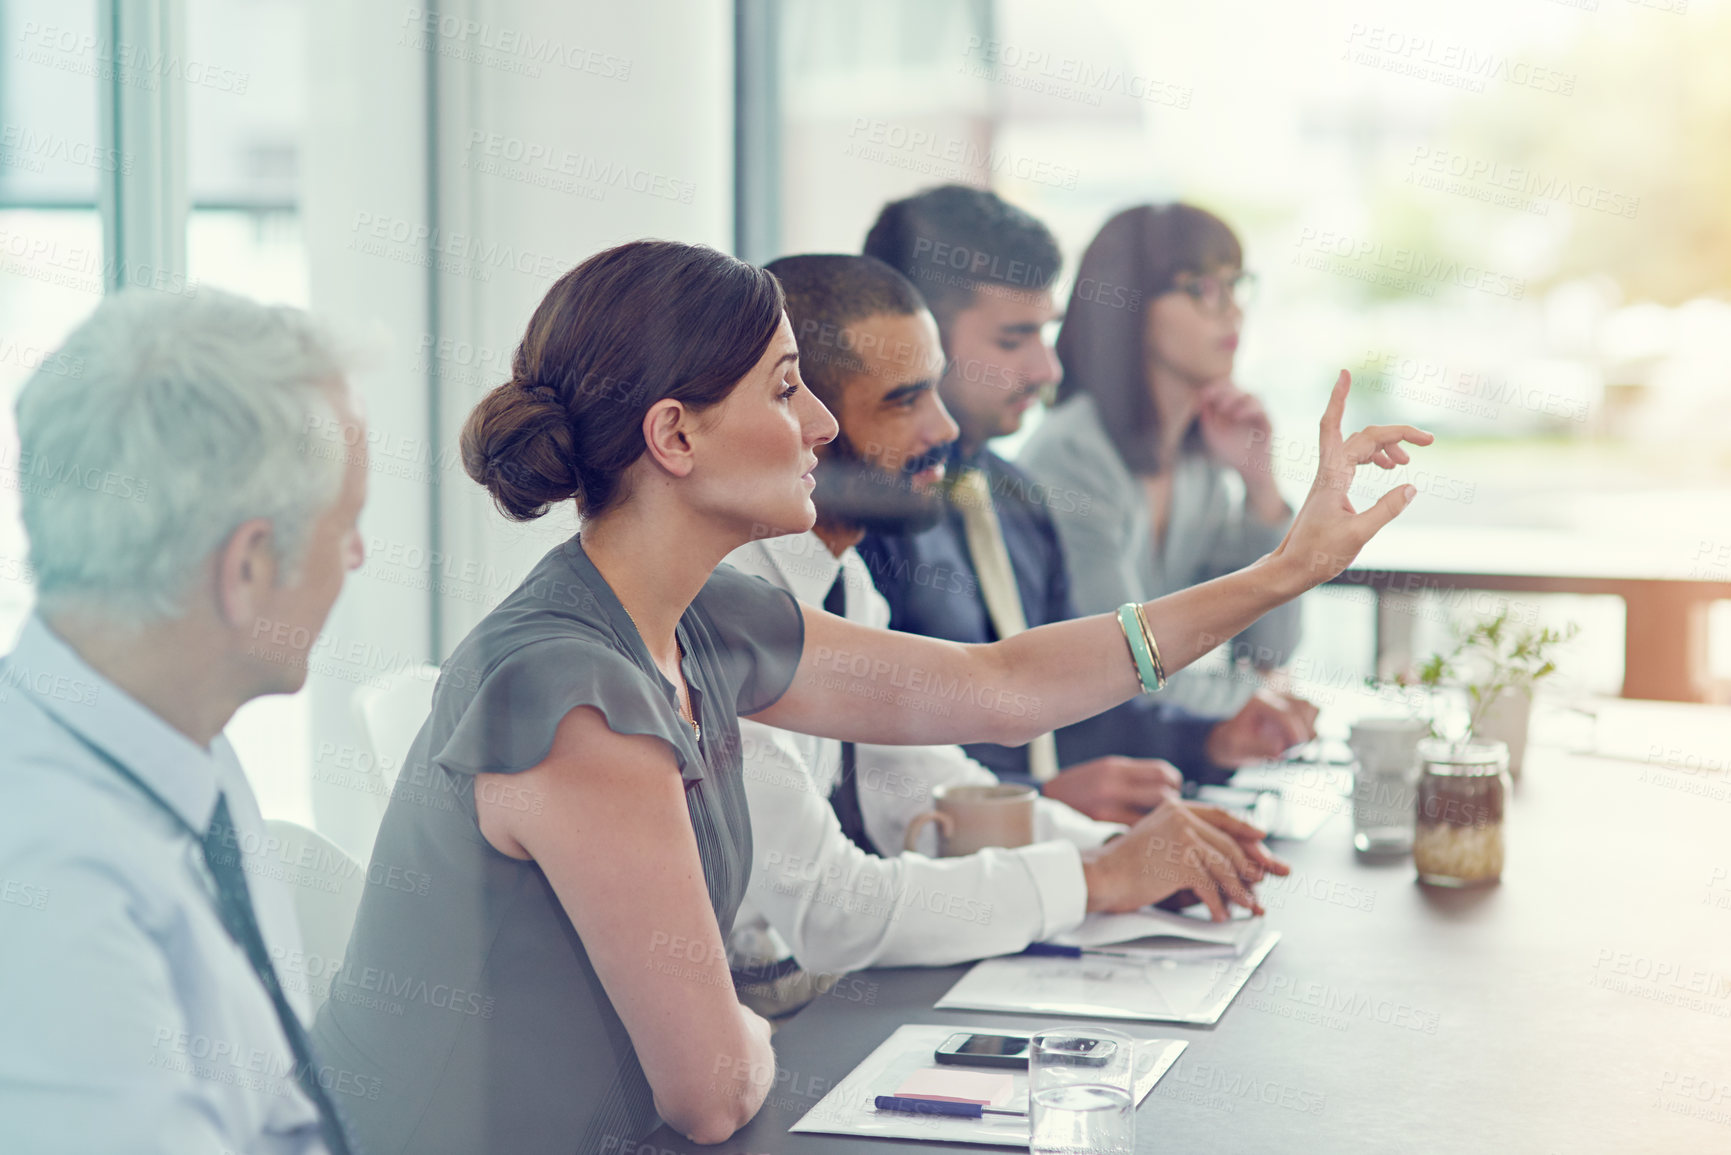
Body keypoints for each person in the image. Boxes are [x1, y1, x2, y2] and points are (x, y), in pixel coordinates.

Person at [314, 238, 1427, 1154]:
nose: (822, 427)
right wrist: (743, 1024)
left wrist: (1284, 572)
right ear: (674, 435)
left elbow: (1000, 688)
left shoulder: (700, 616)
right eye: (787, 389)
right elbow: (709, 1087)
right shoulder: (574, 699)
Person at [724, 253, 1289, 1008]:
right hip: (734, 1021)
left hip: (795, 1001)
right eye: (904, 400)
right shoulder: (730, 608)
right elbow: (832, 908)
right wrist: (1100, 877)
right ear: (802, 418)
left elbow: (919, 789)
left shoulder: (845, 580)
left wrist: (1125, 851)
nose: (945, 427)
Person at [0, 290, 368, 1154]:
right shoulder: (50, 882)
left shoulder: (183, 749)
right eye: (345, 524)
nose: (357, 556)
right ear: (246, 567)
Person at [859, 185, 1319, 825]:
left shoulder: (1015, 498)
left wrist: (1208, 741)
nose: (1048, 371)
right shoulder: (855, 521)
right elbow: (862, 772)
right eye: (1014, 339)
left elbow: (1078, 701)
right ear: (917, 340)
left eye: (1044, 334)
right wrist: (1036, 804)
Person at [1021, 203, 1299, 715]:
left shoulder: (1201, 463)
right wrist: (1260, 702)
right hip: (1088, 765)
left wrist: (1261, 488)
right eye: (1201, 289)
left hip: (1167, 756)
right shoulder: (1073, 455)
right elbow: (1124, 670)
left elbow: (1267, 650)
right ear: (1128, 308)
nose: (1232, 310)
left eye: (1235, 285)